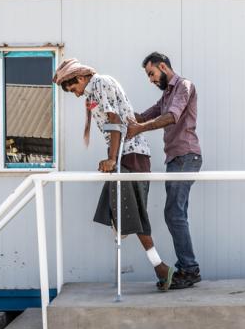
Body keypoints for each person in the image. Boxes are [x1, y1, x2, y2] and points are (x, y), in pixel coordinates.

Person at [53, 58, 175, 291]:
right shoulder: (91, 93)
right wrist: (112, 155)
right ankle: (159, 266)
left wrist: (111, 158)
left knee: (133, 212)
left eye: (74, 88)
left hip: (131, 153)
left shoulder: (99, 82)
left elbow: (114, 120)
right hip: (124, 153)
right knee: (126, 211)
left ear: (80, 78)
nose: (76, 94)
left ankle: (161, 267)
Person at [127, 52, 202, 290]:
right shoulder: (167, 95)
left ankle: (189, 270)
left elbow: (171, 117)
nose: (150, 79)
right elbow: (145, 115)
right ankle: (188, 268)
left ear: (162, 66)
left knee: (174, 214)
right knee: (175, 214)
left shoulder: (183, 86)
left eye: (151, 73)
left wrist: (139, 129)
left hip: (186, 156)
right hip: (176, 158)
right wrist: (121, 114)